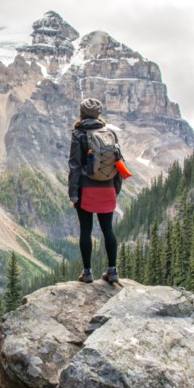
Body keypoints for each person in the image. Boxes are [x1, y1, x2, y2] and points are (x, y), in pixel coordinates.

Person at [68, 97, 121, 284]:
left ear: (81, 113)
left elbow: (74, 165)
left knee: (86, 230)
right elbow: (118, 162)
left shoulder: (79, 134)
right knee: (108, 230)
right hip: (107, 188)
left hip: (86, 189)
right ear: (99, 113)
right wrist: (116, 189)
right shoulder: (110, 134)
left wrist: (73, 194)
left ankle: (87, 273)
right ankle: (112, 271)